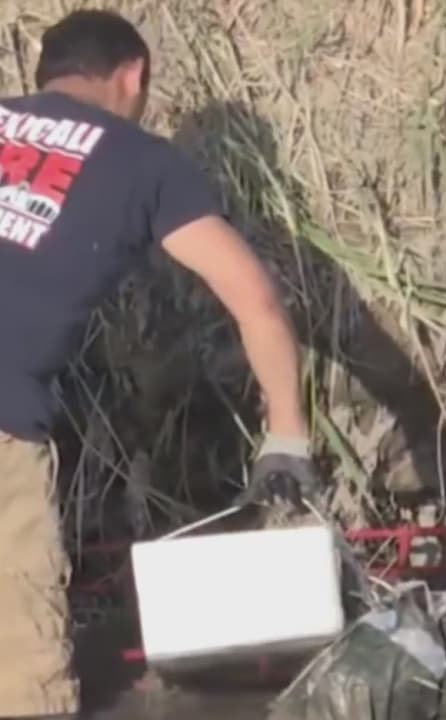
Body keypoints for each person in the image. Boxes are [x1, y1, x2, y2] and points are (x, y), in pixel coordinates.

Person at [0, 10, 321, 719]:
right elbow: (257, 302)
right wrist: (287, 437)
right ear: (133, 76)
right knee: (22, 682)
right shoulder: (141, 160)